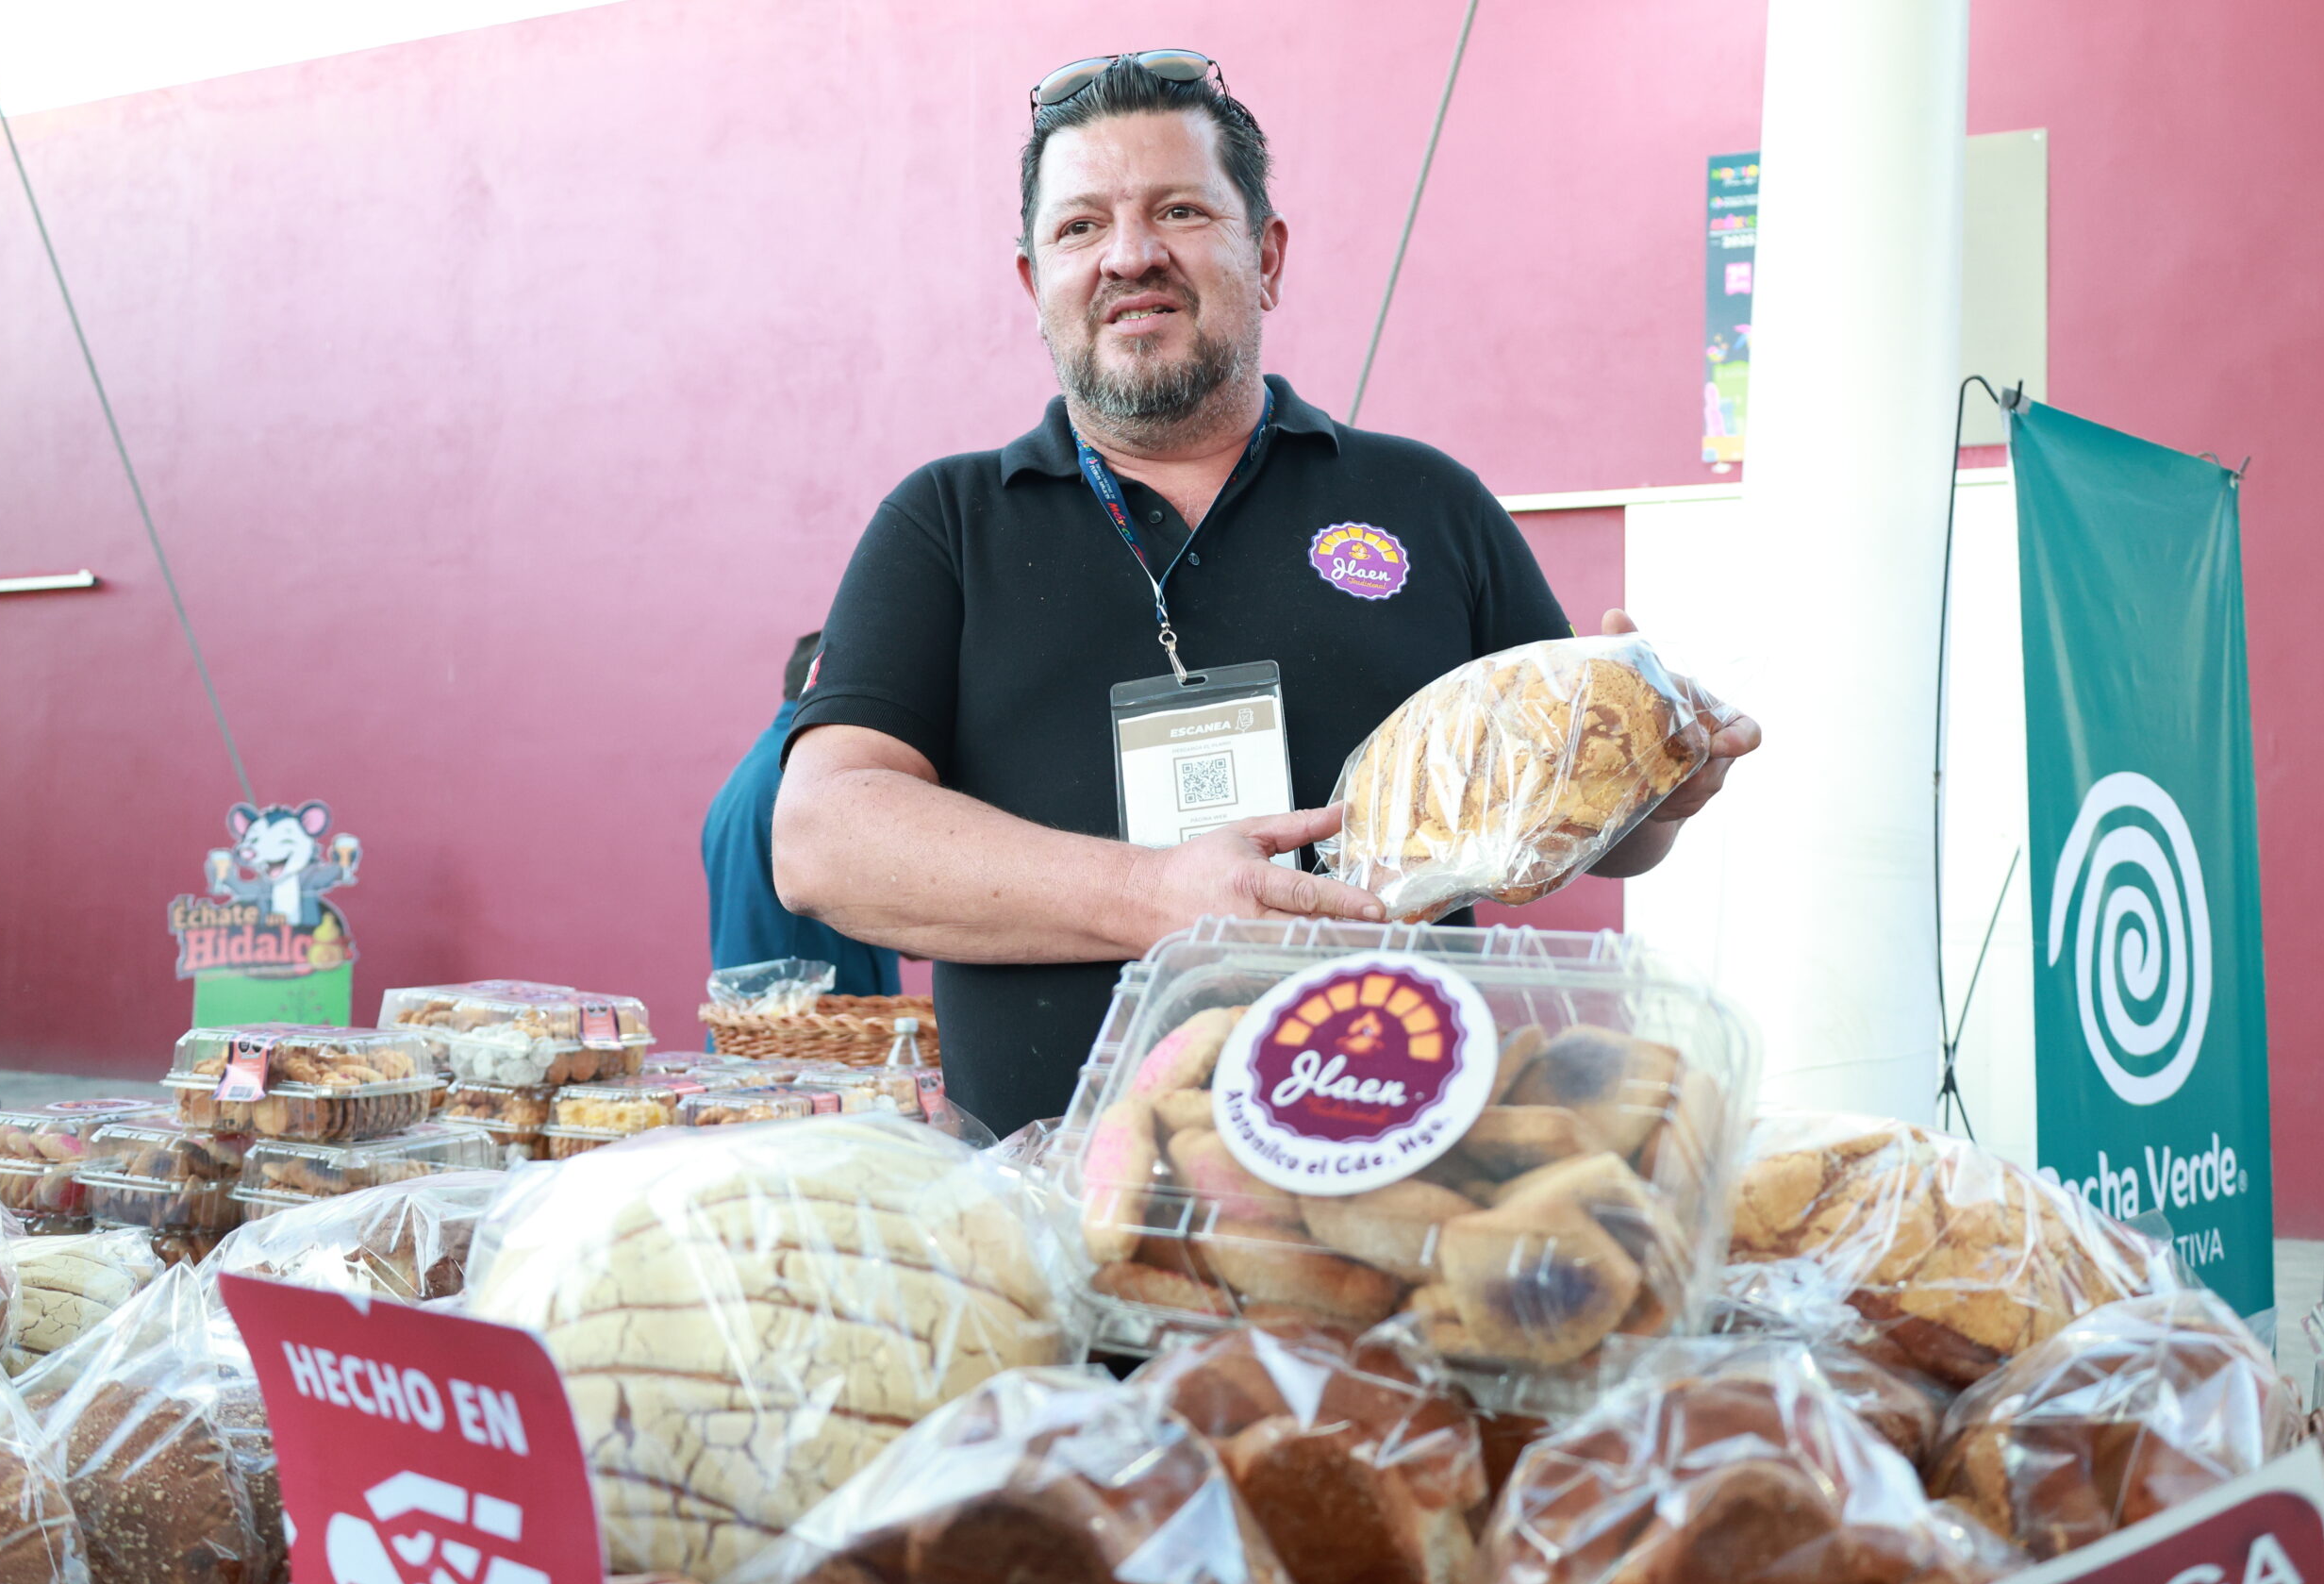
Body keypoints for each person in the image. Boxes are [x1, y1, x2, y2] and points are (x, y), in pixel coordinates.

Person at [775, 53, 1759, 1136]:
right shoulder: (945, 525)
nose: (1130, 255)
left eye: (1180, 210)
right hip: (1054, 1203)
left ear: (1267, 254)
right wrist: (1154, 899)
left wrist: (1655, 788)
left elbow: (1586, 835)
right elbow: (821, 838)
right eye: (1081, 227)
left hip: (1403, 1171)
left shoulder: (1429, 503)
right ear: (1033, 284)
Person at [703, 631, 901, 994]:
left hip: (758, 1019)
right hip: (817, 1022)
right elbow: (903, 910)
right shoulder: (820, 775)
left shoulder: (748, 775)